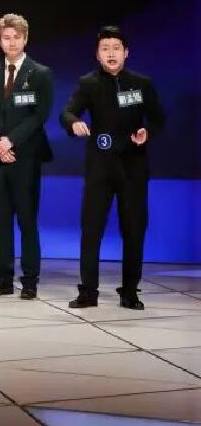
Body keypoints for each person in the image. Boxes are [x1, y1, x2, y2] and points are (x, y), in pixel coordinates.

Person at [61, 26, 165, 310]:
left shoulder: (141, 83)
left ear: (126, 53)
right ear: (97, 54)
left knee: (134, 231)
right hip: (100, 168)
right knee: (91, 230)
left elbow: (157, 118)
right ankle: (88, 292)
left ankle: (129, 292)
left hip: (133, 168)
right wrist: (74, 123)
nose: (111, 53)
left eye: (116, 48)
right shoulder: (88, 83)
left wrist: (147, 132)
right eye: (105, 48)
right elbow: (67, 112)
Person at [0, 13, 53, 300]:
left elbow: (39, 115)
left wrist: (11, 141)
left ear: (25, 38)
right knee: (0, 222)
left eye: (17, 37)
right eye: (6, 38)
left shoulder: (40, 73)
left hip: (26, 158)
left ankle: (30, 280)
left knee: (27, 221)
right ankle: (3, 279)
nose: (12, 43)